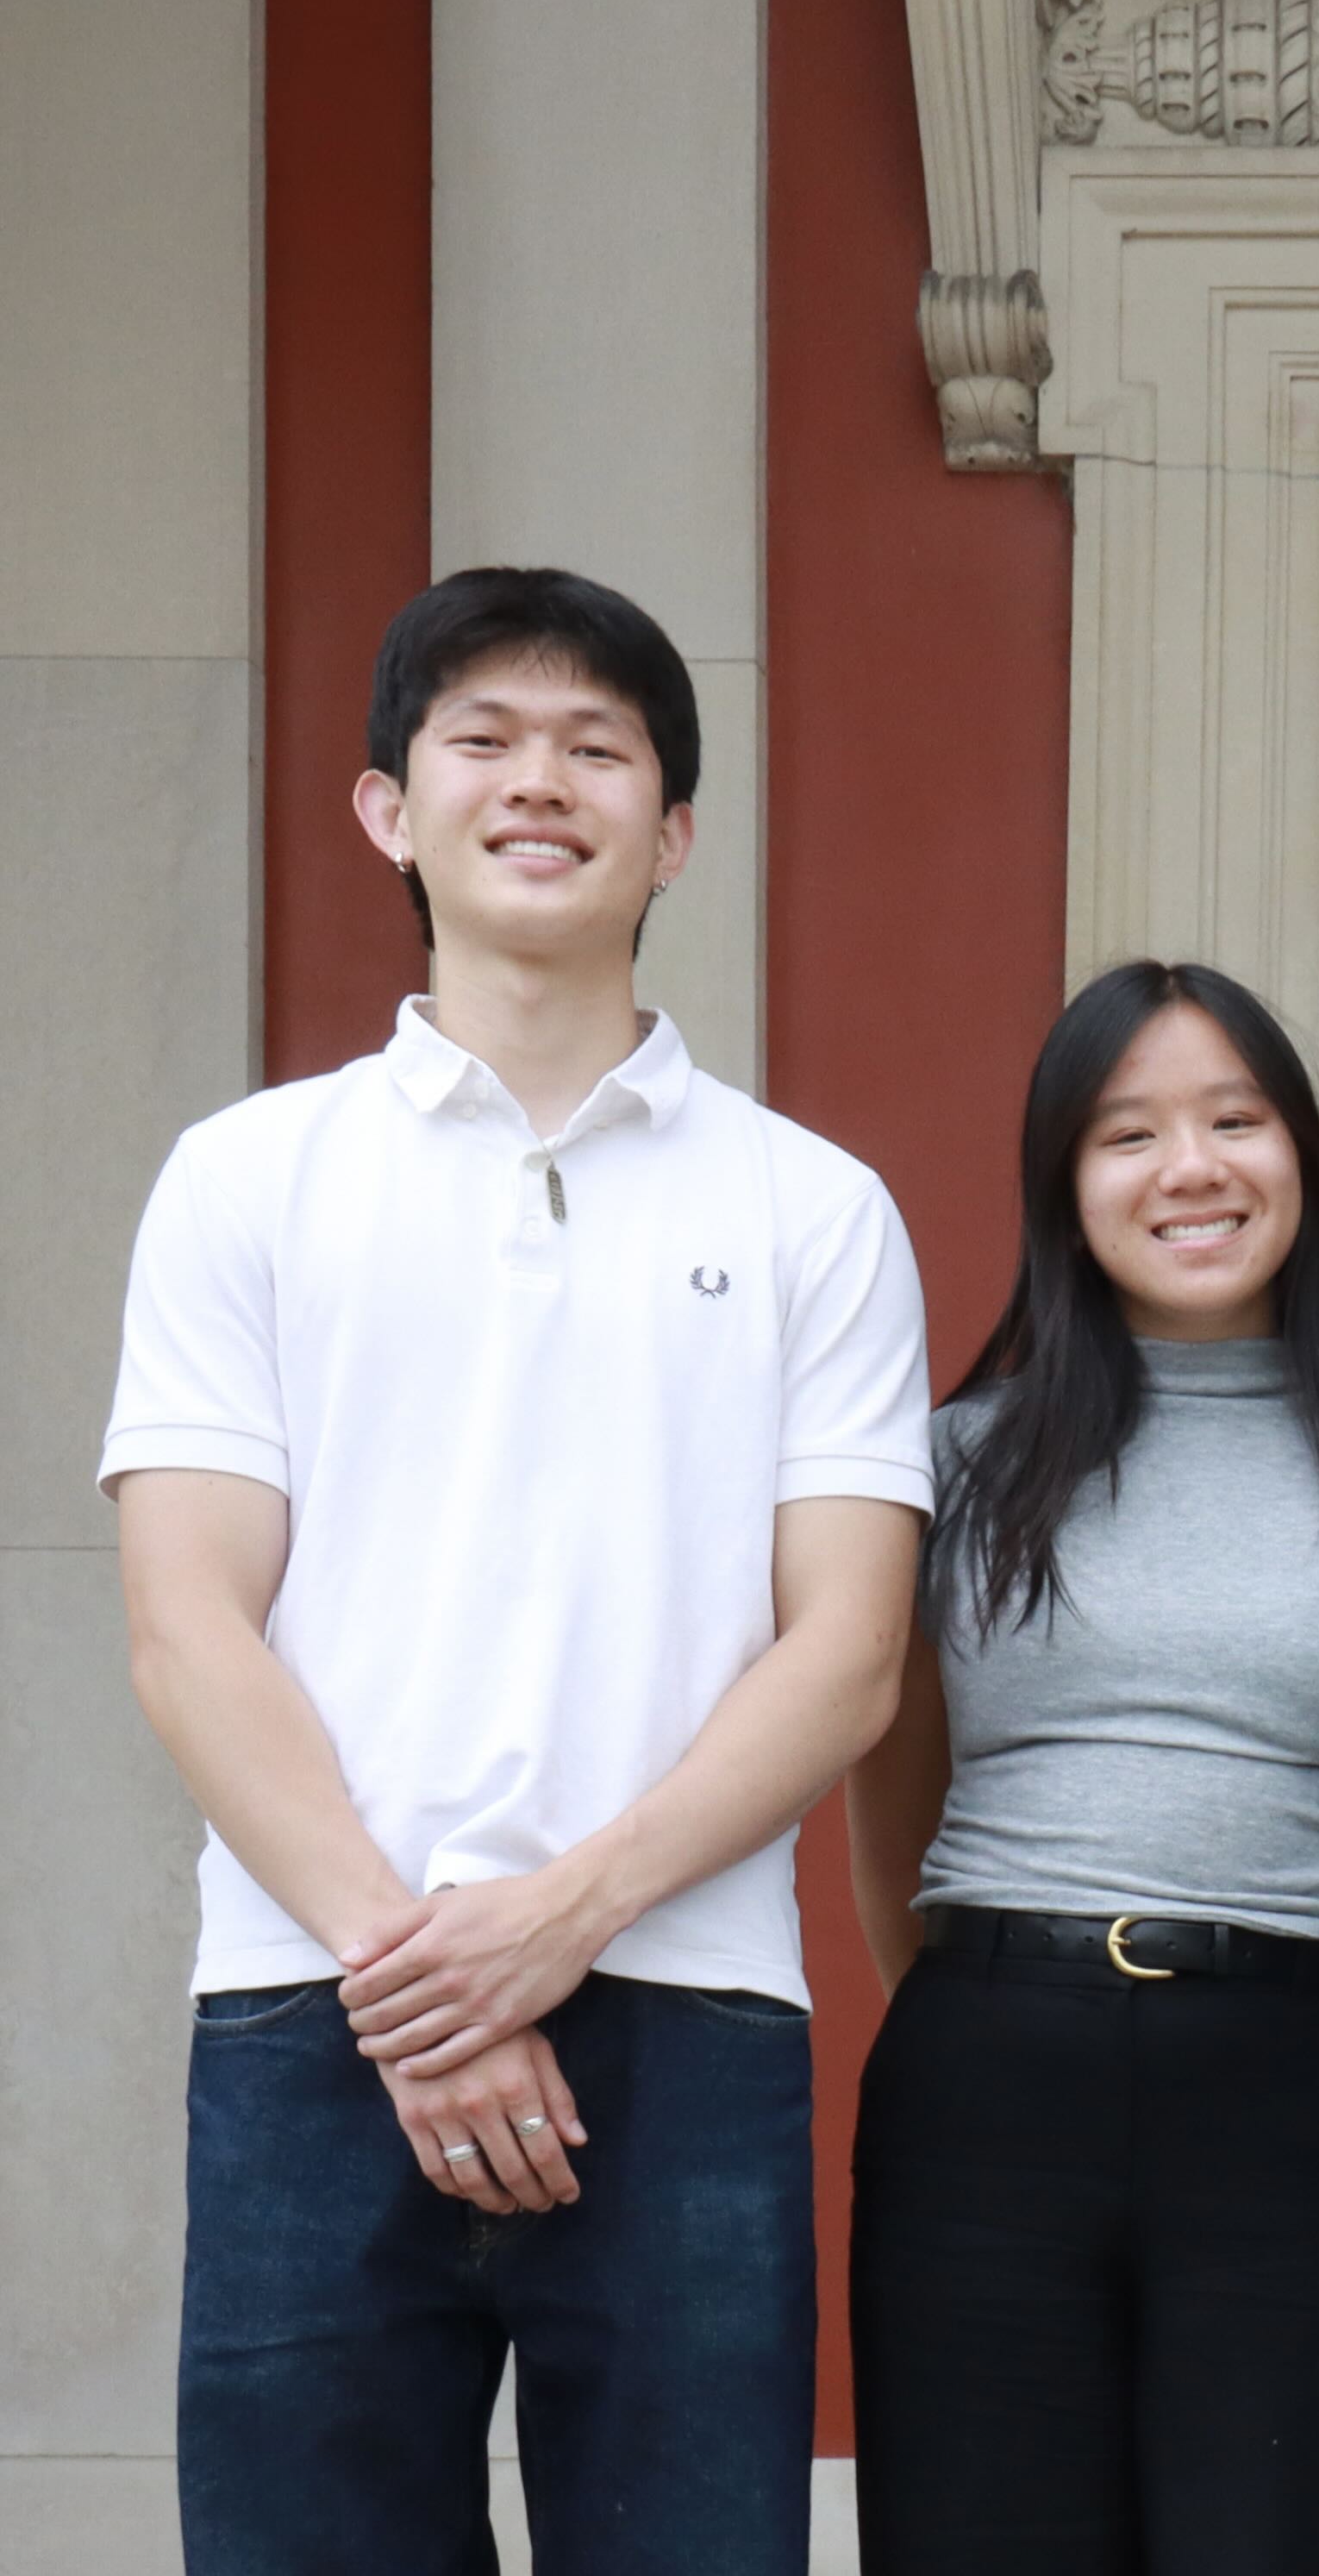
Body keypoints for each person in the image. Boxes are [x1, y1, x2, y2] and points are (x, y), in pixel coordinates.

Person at [103, 567, 934, 2571]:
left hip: (684, 2000)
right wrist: (423, 1973)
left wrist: (556, 1921)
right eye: (482, 735)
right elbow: (184, 1620)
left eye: (598, 745)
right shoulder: (250, 1173)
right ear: (389, 808)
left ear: (676, 832)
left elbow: (848, 1658)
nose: (537, 779)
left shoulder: (813, 1207)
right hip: (320, 2003)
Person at [843, 958, 1319, 2575]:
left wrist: (1305, 2051)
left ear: (1303, 1160)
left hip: (1291, 2094)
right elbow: (893, 1820)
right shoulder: (948, 1467)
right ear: (1066, 1184)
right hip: (983, 2082)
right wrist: (1013, 2004)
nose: (1190, 1169)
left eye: (1235, 1120)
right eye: (1128, 1134)